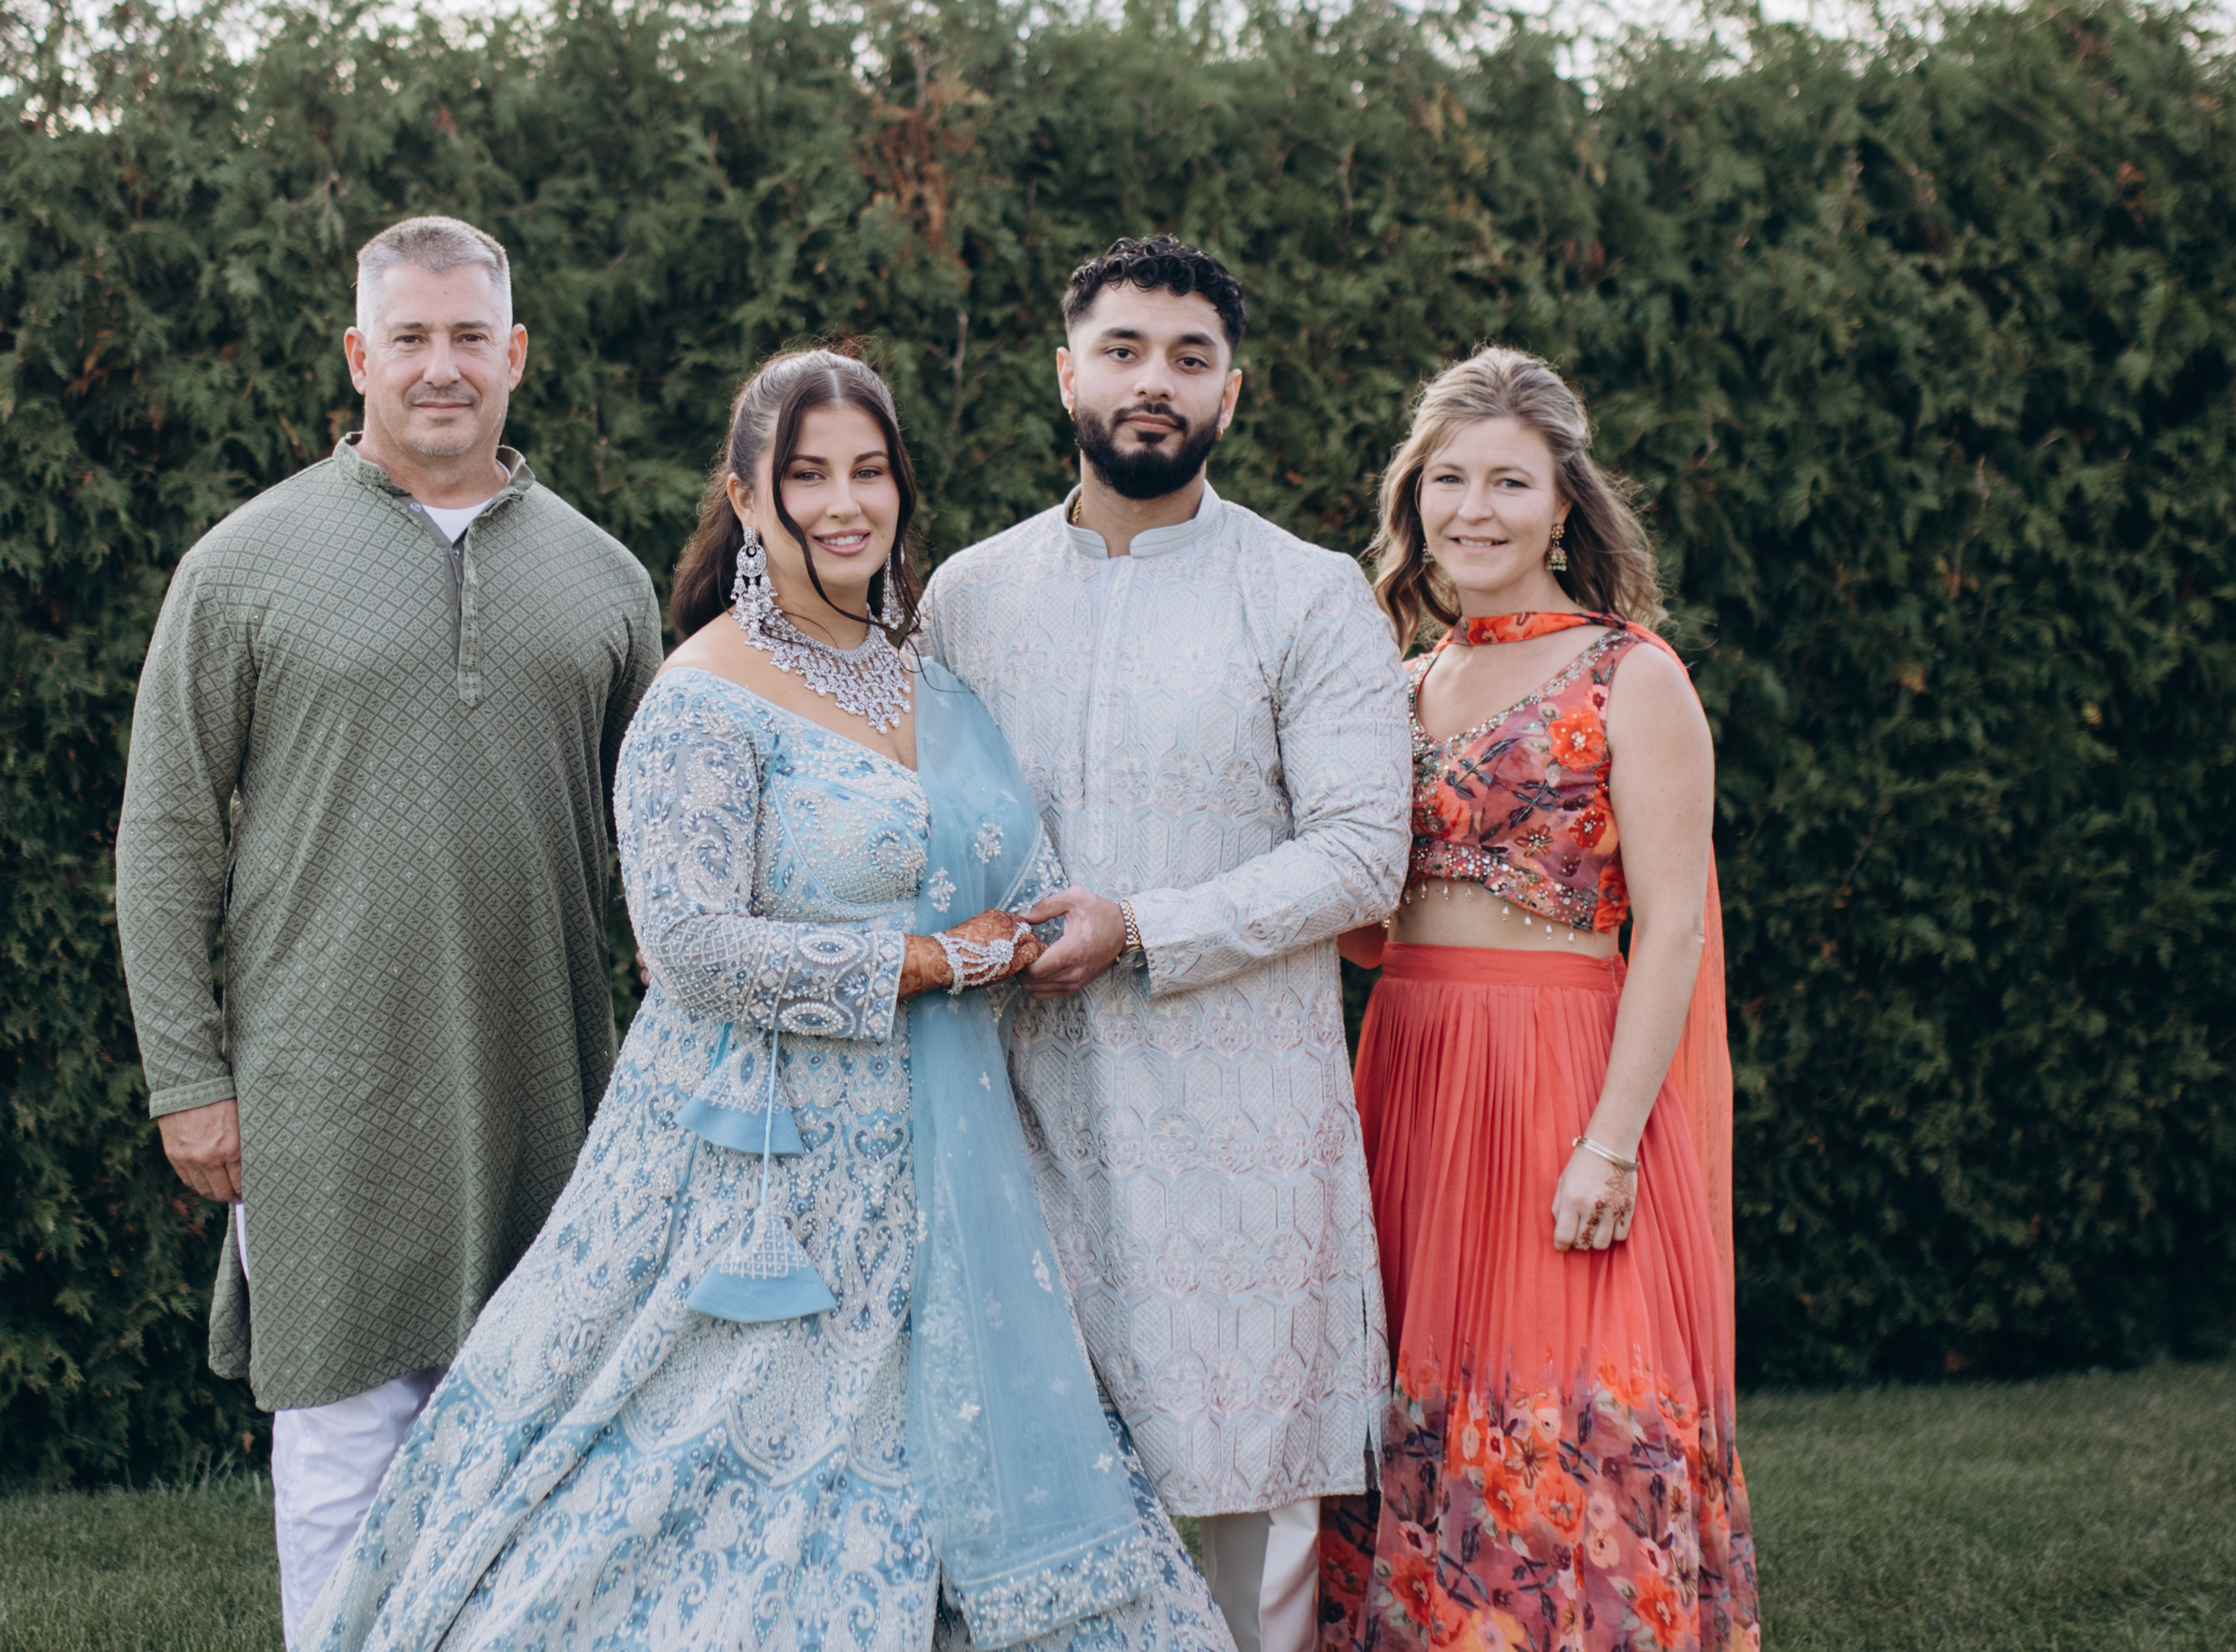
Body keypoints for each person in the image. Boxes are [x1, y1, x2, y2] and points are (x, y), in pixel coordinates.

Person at [297, 349, 1231, 1652]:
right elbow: (689, 949)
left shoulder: (932, 680)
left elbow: (1006, 874)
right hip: (760, 1182)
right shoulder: (703, 696)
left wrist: (1051, 928)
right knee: (702, 1505)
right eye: (807, 476)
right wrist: (930, 963)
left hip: (949, 1169)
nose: (846, 505)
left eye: (871, 472)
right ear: (745, 498)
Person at [114, 215, 663, 1645]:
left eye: (469, 336)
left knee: (532, 1464)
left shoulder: (606, 581)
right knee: (342, 1459)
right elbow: (166, 835)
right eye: (409, 338)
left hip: (545, 1087)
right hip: (324, 1091)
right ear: (359, 355)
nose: (440, 367)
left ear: (515, 353)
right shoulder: (242, 567)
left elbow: (667, 857)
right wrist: (187, 1078)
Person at [922, 237, 1412, 1652]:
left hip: (1240, 1124)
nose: (1156, 382)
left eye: (1190, 359)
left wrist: (1142, 929)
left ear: (1230, 394)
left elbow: (1361, 852)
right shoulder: (968, 595)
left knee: (1255, 1509)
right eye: (1125, 351)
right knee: (1031, 1505)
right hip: (1027, 1118)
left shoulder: (1307, 592)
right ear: (1065, 374)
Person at [1315, 348, 1757, 1651]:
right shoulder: (1399, 681)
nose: (1475, 509)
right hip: (1410, 1069)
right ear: (1414, 499)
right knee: (1415, 1393)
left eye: (1509, 481)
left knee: (1561, 1405)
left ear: (1565, 502)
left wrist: (1610, 1143)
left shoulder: (1634, 674)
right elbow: (1359, 919)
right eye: (1448, 479)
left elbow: (1672, 928)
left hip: (1562, 1078)